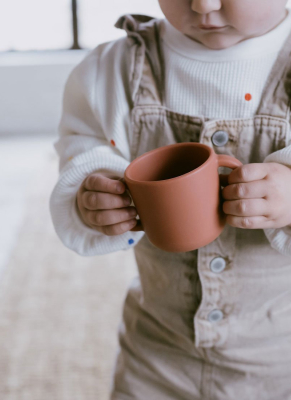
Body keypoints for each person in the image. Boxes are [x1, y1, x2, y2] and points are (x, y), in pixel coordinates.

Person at [49, 0, 291, 398]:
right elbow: (84, 143)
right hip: (157, 351)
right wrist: (91, 194)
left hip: (279, 358)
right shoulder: (120, 67)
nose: (203, 5)